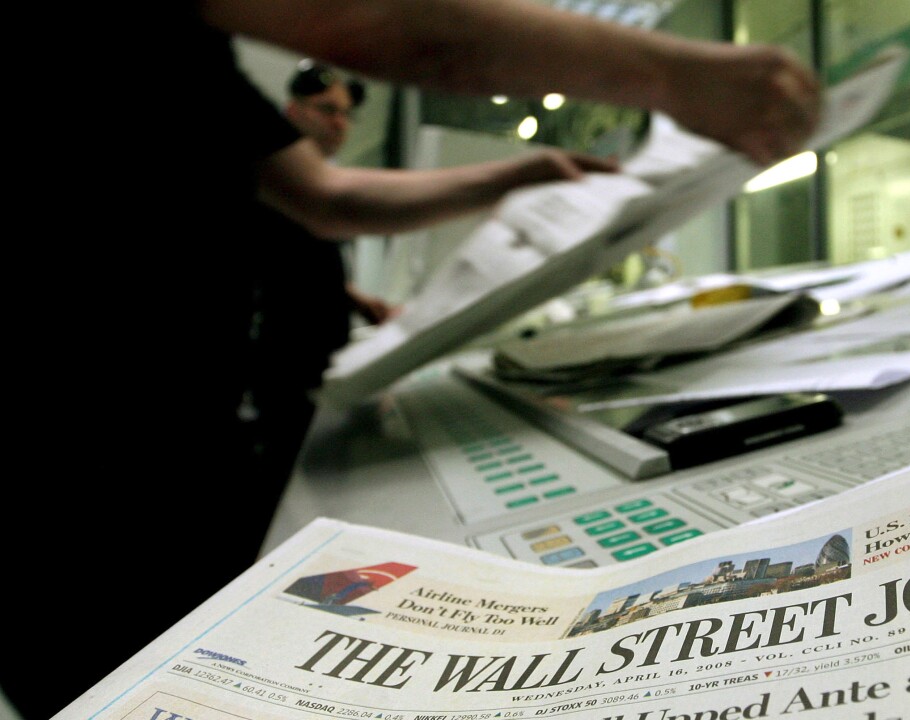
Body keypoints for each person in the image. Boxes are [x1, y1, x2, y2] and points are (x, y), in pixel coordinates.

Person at [7, 2, 820, 717]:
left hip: (188, 435)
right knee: (118, 671)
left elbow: (330, 199)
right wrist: (669, 73)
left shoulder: (191, 66)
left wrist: (523, 172)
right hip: (76, 450)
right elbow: (363, 21)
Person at [243, 59, 401, 501]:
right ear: (293, 112)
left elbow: (296, 265)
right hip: (286, 382)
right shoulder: (276, 183)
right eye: (325, 108)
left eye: (346, 113)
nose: (339, 122)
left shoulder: (306, 188)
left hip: (322, 372)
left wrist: (354, 298)